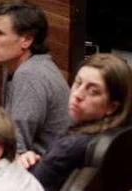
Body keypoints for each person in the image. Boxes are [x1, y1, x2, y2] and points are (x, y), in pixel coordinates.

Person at [20, 53, 132, 191]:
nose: (78, 94)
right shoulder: (120, 135)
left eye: (92, 91)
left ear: (112, 107)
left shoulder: (71, 146)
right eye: (78, 83)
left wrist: (17, 168)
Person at [0, 1, 70, 155]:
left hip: (41, 173)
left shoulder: (30, 75)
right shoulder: (15, 67)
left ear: (26, 40)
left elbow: (15, 149)